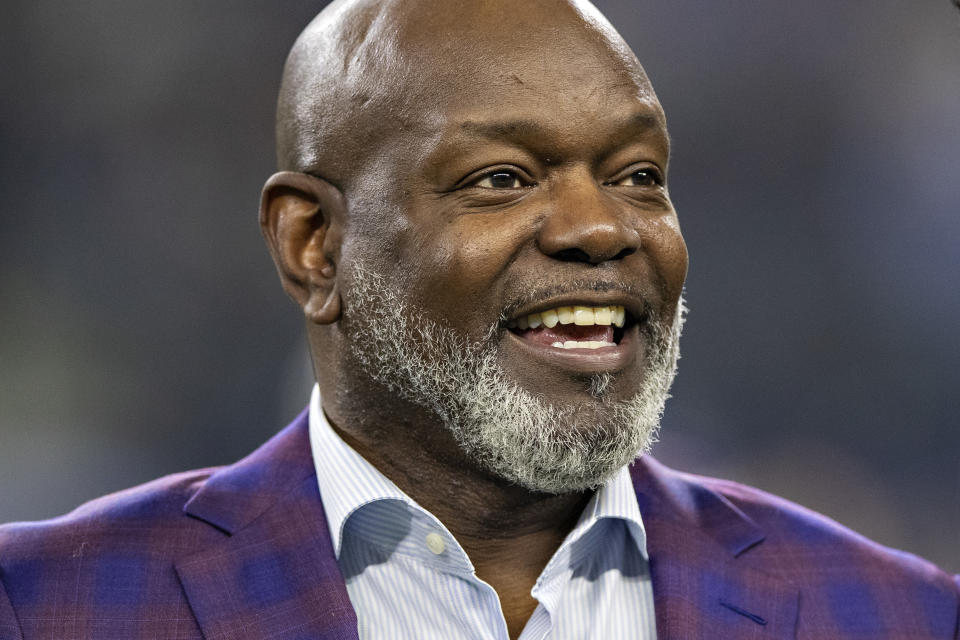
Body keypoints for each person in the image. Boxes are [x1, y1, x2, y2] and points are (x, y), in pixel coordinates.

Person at [1, 0, 957, 638]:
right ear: (313, 244)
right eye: (500, 179)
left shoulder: (893, 615)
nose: (601, 228)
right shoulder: (47, 605)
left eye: (639, 177)